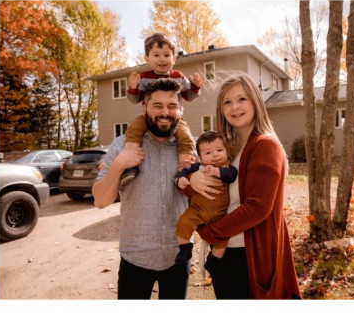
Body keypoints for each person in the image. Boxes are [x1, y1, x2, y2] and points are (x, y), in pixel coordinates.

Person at [187, 72, 302, 299]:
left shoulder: (265, 145)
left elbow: (257, 208)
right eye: (227, 102)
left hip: (247, 256)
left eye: (242, 99)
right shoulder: (227, 148)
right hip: (225, 253)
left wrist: (208, 232)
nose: (235, 107)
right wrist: (192, 179)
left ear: (255, 102)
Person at [92, 78, 190, 300]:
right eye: (158, 106)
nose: (165, 112)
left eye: (172, 106)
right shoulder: (122, 145)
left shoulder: (189, 150)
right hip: (135, 258)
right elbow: (100, 201)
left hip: (178, 256)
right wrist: (119, 164)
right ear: (144, 107)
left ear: (180, 110)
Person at [120, 33, 203, 187]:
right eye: (156, 55)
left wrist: (195, 87)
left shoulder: (178, 76)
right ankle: (130, 166)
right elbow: (135, 99)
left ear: (174, 58)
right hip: (148, 117)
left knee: (185, 137)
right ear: (147, 59)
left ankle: (184, 168)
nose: (162, 59)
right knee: (133, 129)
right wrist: (133, 87)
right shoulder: (144, 78)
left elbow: (188, 96)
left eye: (166, 55)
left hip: (175, 119)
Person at [173, 131, 238, 264]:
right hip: (197, 210)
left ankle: (214, 261)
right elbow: (185, 170)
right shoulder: (199, 166)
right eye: (208, 153)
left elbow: (232, 175)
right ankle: (185, 248)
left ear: (226, 151)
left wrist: (217, 171)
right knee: (183, 224)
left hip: (220, 214)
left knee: (222, 240)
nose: (215, 155)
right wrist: (182, 179)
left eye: (219, 150)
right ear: (201, 158)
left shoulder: (227, 167)